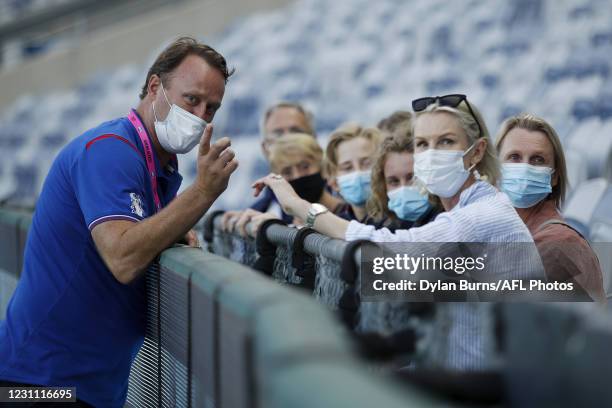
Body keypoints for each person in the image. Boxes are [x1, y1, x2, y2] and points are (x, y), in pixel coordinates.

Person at [0, 37, 237, 407]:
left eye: (211, 108)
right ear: (155, 86)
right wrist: (203, 192)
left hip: (93, 386)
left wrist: (171, 229)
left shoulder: (159, 165)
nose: (201, 116)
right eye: (192, 99)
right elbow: (123, 257)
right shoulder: (110, 149)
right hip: (39, 382)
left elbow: (141, 238)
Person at [252, 94, 542, 369]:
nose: (431, 154)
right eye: (422, 144)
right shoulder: (464, 209)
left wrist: (300, 207)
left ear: (476, 152)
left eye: (446, 142)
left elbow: (390, 247)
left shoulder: (483, 213)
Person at [496, 113, 605, 302]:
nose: (525, 168)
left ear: (554, 177)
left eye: (537, 160)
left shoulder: (557, 247)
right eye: (514, 157)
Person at [221, 102, 316, 229]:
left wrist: (279, 228)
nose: (287, 140)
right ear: (265, 149)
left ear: (313, 140)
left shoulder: (339, 197)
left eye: (296, 132)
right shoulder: (258, 211)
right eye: (278, 134)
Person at [233, 133, 344, 236]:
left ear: (322, 167)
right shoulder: (285, 219)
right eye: (287, 172)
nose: (297, 176)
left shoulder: (348, 213)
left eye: (305, 166)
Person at [366, 135, 441, 231]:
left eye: (412, 178)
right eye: (394, 181)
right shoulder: (377, 228)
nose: (403, 188)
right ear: (383, 185)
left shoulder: (450, 222)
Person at [322, 123, 381, 222]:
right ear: (334, 182)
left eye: (366, 163)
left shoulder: (401, 225)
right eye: (347, 167)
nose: (358, 172)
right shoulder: (334, 227)